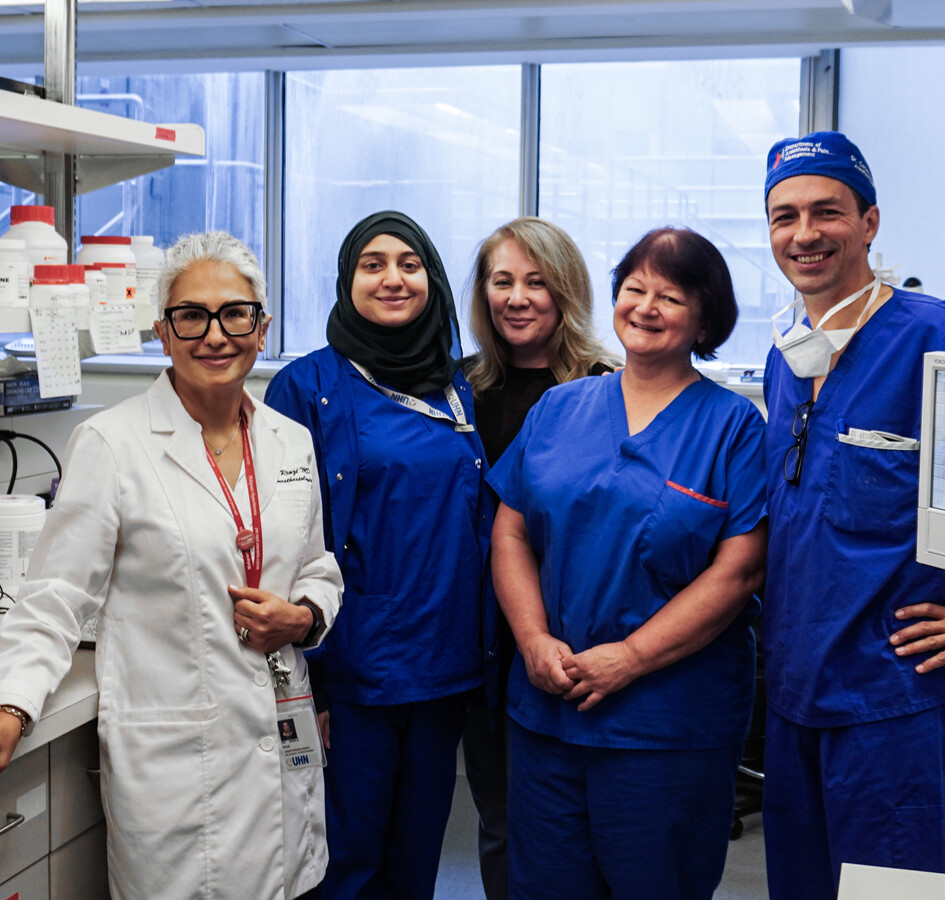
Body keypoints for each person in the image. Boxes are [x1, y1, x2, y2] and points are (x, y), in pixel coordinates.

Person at [0, 232, 343, 900]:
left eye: (235, 313)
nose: (215, 335)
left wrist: (303, 617)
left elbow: (317, 567)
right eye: (191, 315)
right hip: (181, 766)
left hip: (280, 744)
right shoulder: (112, 442)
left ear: (262, 326)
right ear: (163, 332)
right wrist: (9, 706)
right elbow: (54, 596)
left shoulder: (291, 441)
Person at [755, 131, 945, 900]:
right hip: (794, 696)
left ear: (870, 223)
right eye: (785, 216)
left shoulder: (939, 338)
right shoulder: (787, 359)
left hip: (891, 701)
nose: (805, 233)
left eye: (827, 211)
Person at [488, 226, 768, 900]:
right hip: (550, 710)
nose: (645, 307)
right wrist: (531, 640)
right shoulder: (560, 408)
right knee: (546, 884)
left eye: (669, 296)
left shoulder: (732, 426)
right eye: (634, 290)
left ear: (706, 317)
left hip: (667, 724)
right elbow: (511, 534)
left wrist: (632, 657)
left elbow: (740, 571)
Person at [265, 210, 495, 900]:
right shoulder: (307, 387)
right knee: (348, 855)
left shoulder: (461, 385)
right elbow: (288, 539)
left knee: (417, 854)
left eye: (409, 263)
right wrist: (317, 679)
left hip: (446, 660)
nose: (392, 278)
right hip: (354, 663)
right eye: (372, 264)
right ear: (347, 280)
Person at [460, 216, 619, 900]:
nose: (518, 297)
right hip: (484, 641)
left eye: (536, 282)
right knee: (500, 819)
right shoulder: (458, 392)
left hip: (584, 637)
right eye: (502, 281)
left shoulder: (612, 387)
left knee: (587, 826)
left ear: (566, 292)